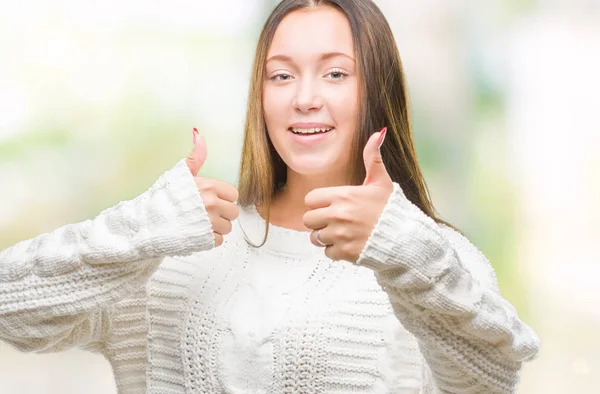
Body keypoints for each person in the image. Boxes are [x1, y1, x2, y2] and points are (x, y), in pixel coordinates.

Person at [0, 0, 540, 393]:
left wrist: (402, 247)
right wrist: (144, 227)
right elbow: (9, 310)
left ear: (377, 89)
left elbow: (491, 381)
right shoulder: (176, 249)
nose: (304, 98)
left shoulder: (426, 256)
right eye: (281, 76)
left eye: (335, 73)